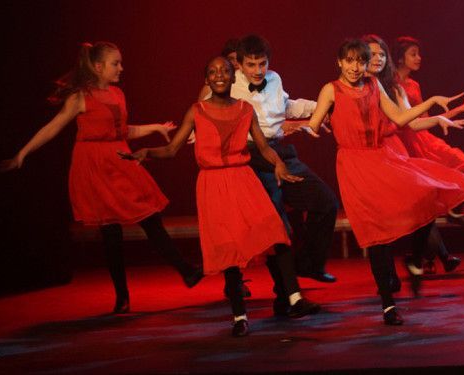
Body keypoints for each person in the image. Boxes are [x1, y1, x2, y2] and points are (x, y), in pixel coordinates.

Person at [120, 56, 320, 336]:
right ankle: (239, 316)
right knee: (228, 249)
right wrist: (147, 153)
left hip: (243, 178)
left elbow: (263, 147)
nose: (219, 75)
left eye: (225, 71)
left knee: (274, 231)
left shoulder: (245, 109)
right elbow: (172, 149)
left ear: (232, 76)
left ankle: (295, 299)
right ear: (206, 79)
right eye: (213, 72)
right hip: (213, 183)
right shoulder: (197, 111)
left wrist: (279, 164)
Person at [0, 42, 202, 314]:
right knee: (111, 232)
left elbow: (121, 131)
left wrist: (154, 127)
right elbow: (54, 127)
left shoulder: (117, 93)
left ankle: (186, 270)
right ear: (98, 67)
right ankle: (122, 296)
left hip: (120, 160)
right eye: (115, 63)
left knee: (150, 217)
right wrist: (23, 153)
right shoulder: (81, 97)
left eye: (120, 63)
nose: (121, 68)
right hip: (94, 165)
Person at [305, 39, 464, 325]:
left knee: (425, 192)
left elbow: (399, 116)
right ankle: (387, 304)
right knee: (376, 234)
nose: (355, 67)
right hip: (354, 165)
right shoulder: (330, 89)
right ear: (339, 62)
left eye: (360, 61)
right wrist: (295, 127)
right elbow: (313, 125)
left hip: (381, 158)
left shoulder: (374, 84)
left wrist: (434, 104)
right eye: (349, 61)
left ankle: (414, 262)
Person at [230, 34, 339, 285]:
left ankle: (309, 264)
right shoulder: (229, 84)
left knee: (326, 201)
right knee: (274, 224)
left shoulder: (274, 78)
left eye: (262, 63)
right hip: (249, 157)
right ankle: (287, 292)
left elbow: (286, 106)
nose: (258, 71)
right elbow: (207, 111)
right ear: (239, 63)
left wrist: (322, 106)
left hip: (279, 151)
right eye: (251, 65)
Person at [361, 34, 464, 291]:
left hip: (394, 151)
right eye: (372, 54)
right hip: (368, 156)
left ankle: (416, 260)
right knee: (380, 219)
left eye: (382, 54)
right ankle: (387, 279)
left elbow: (411, 121)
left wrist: (440, 119)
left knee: (425, 201)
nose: (378, 59)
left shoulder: (394, 88)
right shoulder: (356, 87)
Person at [393, 36, 464, 234]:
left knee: (463, 165)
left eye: (418, 54)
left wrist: (457, 111)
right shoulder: (392, 84)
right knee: (424, 196)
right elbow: (407, 120)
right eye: (413, 54)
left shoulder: (414, 85)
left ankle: (453, 213)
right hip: (405, 141)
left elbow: (426, 118)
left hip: (423, 137)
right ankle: (427, 254)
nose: (418, 58)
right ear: (400, 58)